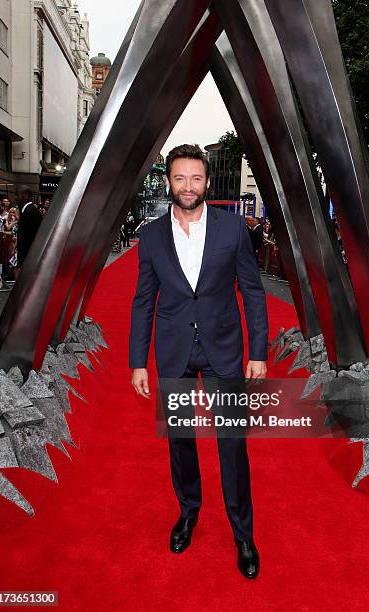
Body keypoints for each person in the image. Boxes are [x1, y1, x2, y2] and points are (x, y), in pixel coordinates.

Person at [129, 144, 269, 579]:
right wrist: (138, 361)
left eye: (195, 178)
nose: (187, 186)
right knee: (180, 442)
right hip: (173, 354)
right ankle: (188, 512)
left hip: (224, 351)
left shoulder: (232, 230)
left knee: (232, 444)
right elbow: (143, 302)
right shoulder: (151, 236)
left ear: (206, 182)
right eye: (179, 178)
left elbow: (253, 291)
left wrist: (258, 352)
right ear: (168, 181)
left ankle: (243, 534)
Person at [16, 185, 42, 271]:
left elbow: (28, 236)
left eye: (17, 194)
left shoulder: (29, 212)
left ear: (25, 195)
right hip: (27, 254)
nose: (16, 197)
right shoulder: (27, 210)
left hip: (28, 254)